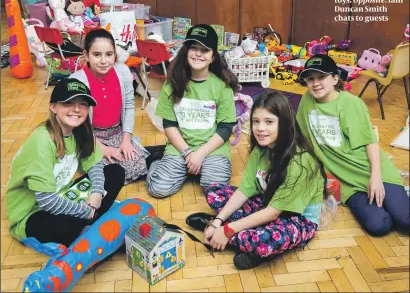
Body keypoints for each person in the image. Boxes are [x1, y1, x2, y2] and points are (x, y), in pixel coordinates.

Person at [186, 90, 326, 270]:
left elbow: (273, 213)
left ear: (284, 124)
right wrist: (218, 221)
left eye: (269, 122)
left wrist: (227, 230)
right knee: (215, 192)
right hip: (267, 202)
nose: (260, 128)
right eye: (256, 121)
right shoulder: (262, 148)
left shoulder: (300, 162)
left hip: (296, 218)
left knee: (264, 240)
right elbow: (245, 189)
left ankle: (234, 239)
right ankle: (229, 234)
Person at [296, 54, 409, 237]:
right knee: (379, 226)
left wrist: (376, 177)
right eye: (310, 78)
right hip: (346, 181)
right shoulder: (306, 101)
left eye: (321, 77)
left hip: (370, 170)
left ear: (335, 78)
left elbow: (370, 142)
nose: (315, 83)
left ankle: (398, 199)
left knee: (405, 219)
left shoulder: (350, 104)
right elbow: (300, 136)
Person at [6, 79, 125, 247]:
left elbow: (94, 163)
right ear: (53, 107)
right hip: (33, 213)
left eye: (83, 104)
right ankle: (93, 219)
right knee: (68, 226)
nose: (77, 109)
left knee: (115, 172)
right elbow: (47, 202)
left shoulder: (79, 130)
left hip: (63, 195)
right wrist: (86, 211)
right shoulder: (41, 141)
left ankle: (90, 222)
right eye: (69, 103)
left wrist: (97, 192)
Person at [147, 24, 239, 198]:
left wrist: (201, 154)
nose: (198, 53)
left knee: (215, 190)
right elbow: (169, 124)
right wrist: (188, 153)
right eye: (193, 48)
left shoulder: (222, 87)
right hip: (180, 147)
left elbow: (226, 128)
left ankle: (195, 169)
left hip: (213, 149)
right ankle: (159, 163)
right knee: (158, 189)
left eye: (204, 50)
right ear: (186, 51)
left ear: (213, 57)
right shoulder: (172, 85)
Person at [70, 29, 153, 184]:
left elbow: (128, 106)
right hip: (89, 136)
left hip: (116, 132)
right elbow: (77, 122)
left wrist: (126, 140)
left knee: (136, 162)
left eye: (109, 54)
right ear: (86, 55)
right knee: (103, 171)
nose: (103, 61)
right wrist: (101, 147)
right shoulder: (78, 81)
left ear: (115, 55)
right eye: (96, 55)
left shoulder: (122, 72)